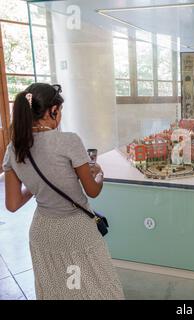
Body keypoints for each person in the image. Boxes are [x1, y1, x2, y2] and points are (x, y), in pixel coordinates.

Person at [3, 83, 124, 300]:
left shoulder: (14, 148)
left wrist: (35, 187)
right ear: (53, 111)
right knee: (85, 289)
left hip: (43, 233)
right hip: (75, 232)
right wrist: (99, 174)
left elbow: (12, 204)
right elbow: (92, 190)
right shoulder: (68, 141)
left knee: (58, 291)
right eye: (59, 112)